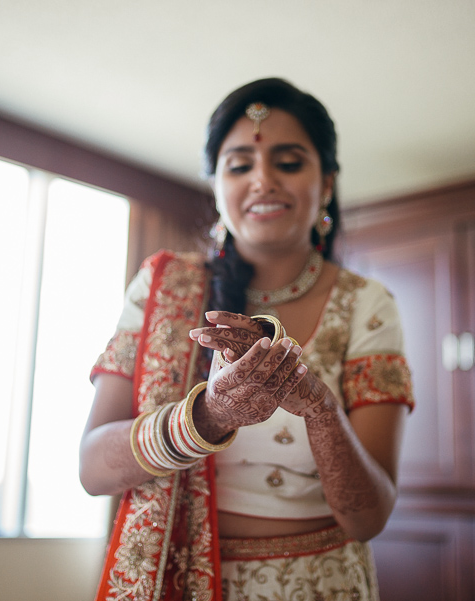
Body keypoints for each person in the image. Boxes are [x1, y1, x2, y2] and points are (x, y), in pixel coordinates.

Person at [80, 78, 414, 601]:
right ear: (216, 187)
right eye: (239, 165)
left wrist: (321, 410)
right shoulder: (163, 286)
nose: (262, 180)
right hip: (176, 581)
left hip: (319, 583)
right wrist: (208, 416)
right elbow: (93, 468)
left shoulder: (365, 303)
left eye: (288, 162)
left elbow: (367, 517)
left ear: (326, 184)